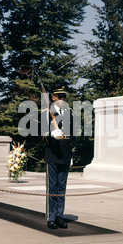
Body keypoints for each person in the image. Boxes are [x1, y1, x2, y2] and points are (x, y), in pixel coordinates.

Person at [42, 87, 74, 229]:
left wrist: (71, 154)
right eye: (59, 97)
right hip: (52, 154)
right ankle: (51, 217)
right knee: (52, 187)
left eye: (64, 97)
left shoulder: (69, 113)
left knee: (62, 187)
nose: (62, 100)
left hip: (65, 155)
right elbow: (41, 134)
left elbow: (73, 135)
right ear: (53, 97)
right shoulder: (46, 113)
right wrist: (51, 135)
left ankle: (60, 216)